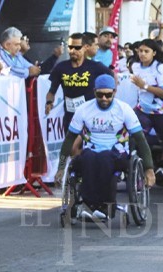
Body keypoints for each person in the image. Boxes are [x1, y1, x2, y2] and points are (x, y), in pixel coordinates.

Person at [66, 74, 156, 220]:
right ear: (94, 92)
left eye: (108, 95)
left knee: (104, 157)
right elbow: (69, 138)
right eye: (100, 94)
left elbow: (141, 140)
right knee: (87, 157)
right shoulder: (84, 109)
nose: (104, 98)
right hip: (91, 151)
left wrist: (149, 168)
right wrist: (61, 166)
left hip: (117, 153)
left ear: (114, 92)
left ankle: (103, 207)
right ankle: (90, 204)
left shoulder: (124, 109)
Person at [46, 32, 113, 183]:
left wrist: (108, 97)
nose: (73, 51)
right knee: (73, 150)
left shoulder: (95, 67)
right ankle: (81, 177)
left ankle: (86, 175)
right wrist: (49, 102)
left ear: (85, 48)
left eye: (77, 48)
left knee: (83, 148)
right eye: (70, 47)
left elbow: (111, 77)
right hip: (71, 116)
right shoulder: (61, 68)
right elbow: (52, 90)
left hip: (91, 115)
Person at [130, 39, 163, 174]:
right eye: (140, 51)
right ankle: (135, 168)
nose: (142, 54)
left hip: (161, 113)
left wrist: (144, 86)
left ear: (154, 53)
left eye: (146, 51)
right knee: (135, 138)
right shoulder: (135, 66)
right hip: (143, 110)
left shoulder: (160, 68)